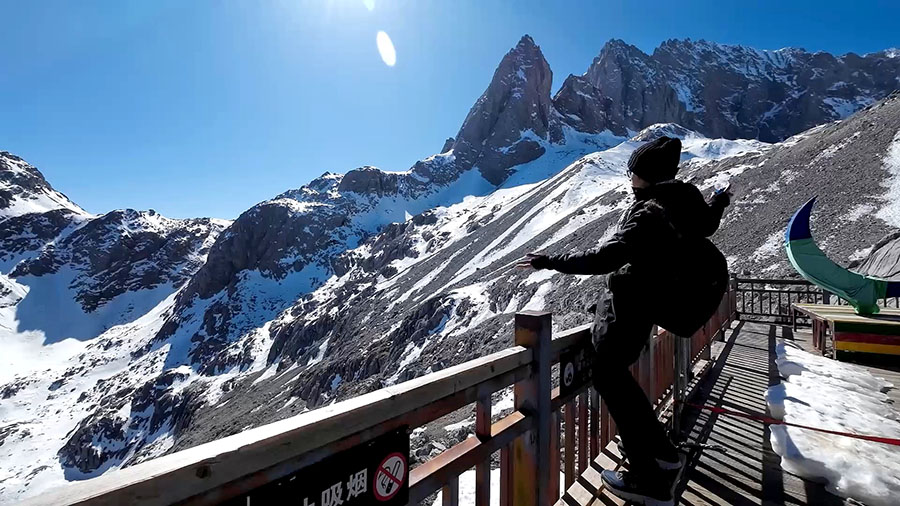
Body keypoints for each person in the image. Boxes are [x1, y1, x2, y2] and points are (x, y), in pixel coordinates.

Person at [516, 136, 731, 505]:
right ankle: (663, 457)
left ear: (643, 176)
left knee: (611, 379)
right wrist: (720, 199)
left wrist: (549, 260)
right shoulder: (686, 200)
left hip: (636, 307)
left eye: (632, 173)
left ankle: (649, 480)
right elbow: (709, 222)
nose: (629, 179)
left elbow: (607, 258)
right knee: (617, 381)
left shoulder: (650, 212)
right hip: (663, 304)